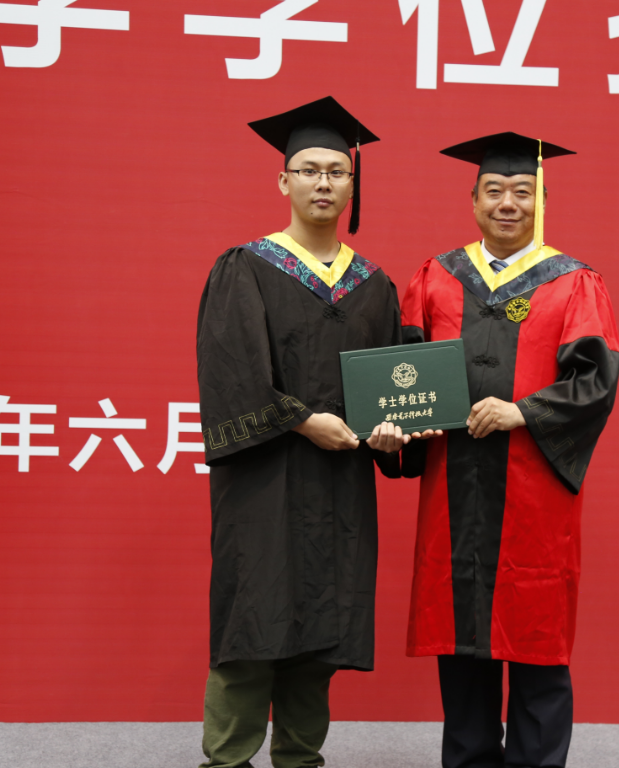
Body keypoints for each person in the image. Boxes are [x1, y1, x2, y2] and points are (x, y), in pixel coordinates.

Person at [195, 96, 409, 768]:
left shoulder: (373, 285)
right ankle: (226, 760)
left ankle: (299, 759)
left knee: (320, 631)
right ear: (283, 180)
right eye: (309, 171)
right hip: (264, 483)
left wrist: (393, 432)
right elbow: (231, 375)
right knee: (252, 627)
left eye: (336, 172)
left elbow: (392, 386)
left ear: (352, 185)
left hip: (339, 485)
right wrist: (302, 421)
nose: (323, 183)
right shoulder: (246, 267)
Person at [398, 133, 619, 768]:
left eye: (523, 192)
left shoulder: (574, 283)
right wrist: (395, 429)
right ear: (473, 200)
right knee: (463, 649)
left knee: (536, 645)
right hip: (454, 492)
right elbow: (404, 377)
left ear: (542, 202)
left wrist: (522, 411)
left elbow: (595, 382)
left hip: (533, 498)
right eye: (494, 190)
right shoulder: (437, 279)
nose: (507, 203)